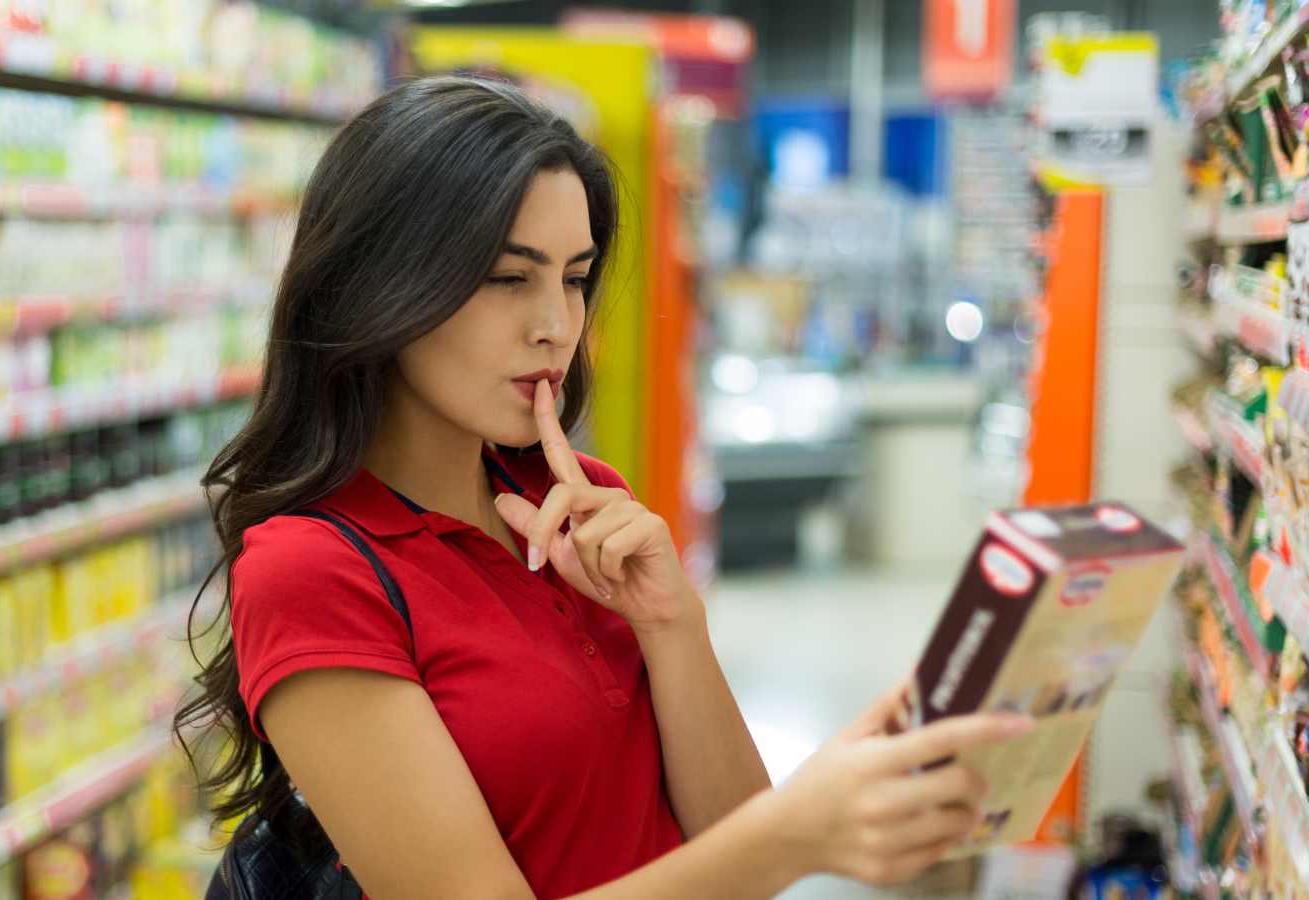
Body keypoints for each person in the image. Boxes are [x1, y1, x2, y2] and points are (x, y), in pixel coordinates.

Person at [180, 74, 1034, 899]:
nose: (556, 325)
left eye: (576, 278)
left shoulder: (584, 504)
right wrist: (795, 830)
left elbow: (734, 843)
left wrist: (673, 626)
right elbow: (760, 845)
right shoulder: (312, 571)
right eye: (509, 278)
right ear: (380, 281)